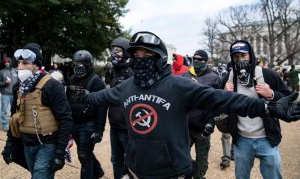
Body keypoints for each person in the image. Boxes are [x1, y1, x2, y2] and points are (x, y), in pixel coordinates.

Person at [85, 31, 300, 179]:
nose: (141, 59)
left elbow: (224, 98)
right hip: (135, 170)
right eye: (136, 55)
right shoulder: (127, 87)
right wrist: (84, 96)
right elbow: (102, 97)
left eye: (147, 54)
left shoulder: (179, 86)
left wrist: (267, 108)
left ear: (159, 58)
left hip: (173, 171)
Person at [222, 40, 292, 179]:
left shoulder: (267, 74)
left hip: (267, 139)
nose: (240, 59)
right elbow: (215, 103)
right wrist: (223, 94)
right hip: (241, 140)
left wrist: (271, 94)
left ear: (251, 55)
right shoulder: (228, 79)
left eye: (243, 55)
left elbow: (288, 98)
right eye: (236, 56)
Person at [1, 43, 73, 178]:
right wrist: (9, 146)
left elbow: (66, 119)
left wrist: (59, 153)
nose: (20, 66)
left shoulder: (52, 86)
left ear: (36, 65)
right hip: (27, 144)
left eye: (25, 63)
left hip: (47, 145)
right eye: (19, 62)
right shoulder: (19, 88)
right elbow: (14, 119)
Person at [67, 50, 106, 179]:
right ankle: (97, 171)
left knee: (84, 155)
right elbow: (67, 101)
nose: (78, 66)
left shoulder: (97, 82)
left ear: (88, 64)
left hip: (89, 125)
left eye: (81, 64)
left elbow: (102, 107)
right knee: (85, 153)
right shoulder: (72, 79)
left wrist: (99, 130)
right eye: (76, 63)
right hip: (74, 123)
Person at [182, 49, 221, 179]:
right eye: (195, 59)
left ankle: (199, 176)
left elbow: (217, 103)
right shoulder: (185, 76)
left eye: (200, 59)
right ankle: (187, 174)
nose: (197, 61)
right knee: (181, 156)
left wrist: (211, 122)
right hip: (185, 126)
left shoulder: (214, 78)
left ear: (206, 61)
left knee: (202, 160)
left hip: (203, 127)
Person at [108, 37, 134, 179]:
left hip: (128, 126)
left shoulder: (132, 71)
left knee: (130, 160)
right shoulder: (113, 71)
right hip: (114, 124)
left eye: (118, 50)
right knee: (115, 160)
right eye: (113, 50)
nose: (114, 53)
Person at [0, 57, 18, 131]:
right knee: (4, 111)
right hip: (5, 94)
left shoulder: (15, 71)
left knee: (15, 110)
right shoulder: (1, 72)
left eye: (8, 62)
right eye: (5, 62)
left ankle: (13, 125)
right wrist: (5, 83)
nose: (7, 63)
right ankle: (5, 126)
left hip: (14, 94)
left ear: (10, 62)